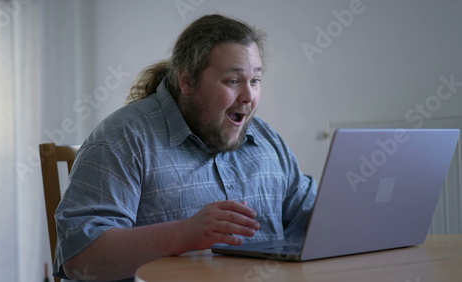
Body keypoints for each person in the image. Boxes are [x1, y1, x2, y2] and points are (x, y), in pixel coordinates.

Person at [53, 14, 317, 281]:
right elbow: (80, 258)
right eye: (233, 81)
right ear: (187, 81)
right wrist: (184, 234)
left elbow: (310, 218)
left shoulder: (267, 139)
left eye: (255, 81)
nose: (249, 96)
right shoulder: (122, 138)